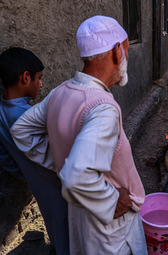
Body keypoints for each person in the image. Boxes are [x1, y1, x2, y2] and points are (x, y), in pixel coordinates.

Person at [10, 16, 147, 255]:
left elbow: (21, 130)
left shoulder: (60, 93)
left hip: (79, 215)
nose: (128, 55)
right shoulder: (103, 109)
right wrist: (112, 200)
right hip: (111, 228)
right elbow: (77, 176)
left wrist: (58, 160)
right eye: (127, 49)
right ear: (117, 52)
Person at [0, 47, 69, 254]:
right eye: (39, 78)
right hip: (57, 183)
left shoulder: (1, 112)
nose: (41, 84)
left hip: (38, 185)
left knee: (55, 227)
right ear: (25, 77)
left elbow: (5, 158)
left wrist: (26, 172)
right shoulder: (29, 118)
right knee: (69, 228)